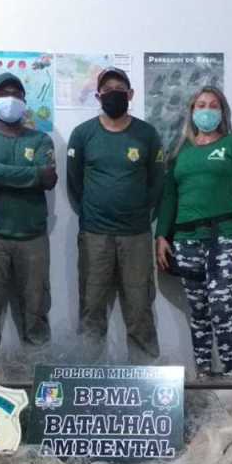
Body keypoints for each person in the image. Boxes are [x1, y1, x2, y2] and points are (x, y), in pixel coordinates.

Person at [155, 87, 232, 378]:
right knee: (198, 312)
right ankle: (203, 375)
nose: (207, 110)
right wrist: (161, 236)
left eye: (213, 105)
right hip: (185, 241)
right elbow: (169, 197)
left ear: (222, 112)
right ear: (192, 111)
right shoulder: (180, 151)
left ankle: (230, 377)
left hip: (224, 237)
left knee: (221, 308)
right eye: (201, 105)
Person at [67, 67, 165, 363]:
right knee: (92, 309)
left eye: (120, 89)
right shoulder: (82, 134)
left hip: (136, 235)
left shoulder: (147, 134)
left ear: (130, 94)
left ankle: (145, 375)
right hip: (94, 234)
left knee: (139, 308)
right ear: (98, 96)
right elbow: (74, 182)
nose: (113, 94)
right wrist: (93, 211)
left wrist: (138, 212)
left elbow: (157, 183)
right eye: (107, 90)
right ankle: (89, 374)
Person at [0, 73, 57, 360]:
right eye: (3, 93)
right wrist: (33, 175)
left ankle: (39, 373)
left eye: (17, 93)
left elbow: (49, 179)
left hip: (33, 236)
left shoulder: (41, 139)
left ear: (25, 101)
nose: (10, 98)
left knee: (37, 309)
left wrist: (2, 174)